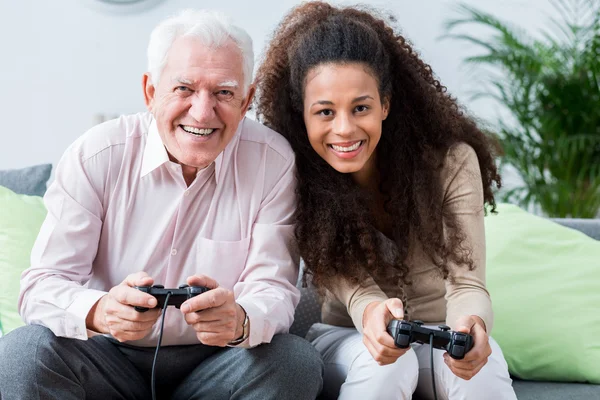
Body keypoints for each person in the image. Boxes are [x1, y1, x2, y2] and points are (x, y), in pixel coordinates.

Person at [0, 9, 323, 400]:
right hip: (105, 355)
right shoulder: (97, 154)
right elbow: (41, 286)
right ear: (151, 92)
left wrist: (240, 319)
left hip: (221, 362)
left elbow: (272, 288)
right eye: (184, 88)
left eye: (224, 92)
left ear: (246, 99)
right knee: (22, 353)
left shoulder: (273, 160)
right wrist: (100, 311)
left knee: (294, 362)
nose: (202, 112)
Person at [254, 2, 517, 399]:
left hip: (438, 337)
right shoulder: (295, 175)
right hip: (347, 337)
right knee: (388, 367)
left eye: (360, 107)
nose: (344, 129)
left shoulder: (451, 161)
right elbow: (358, 293)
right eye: (325, 112)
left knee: (483, 370)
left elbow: (467, 281)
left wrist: (471, 325)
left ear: (385, 104)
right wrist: (375, 318)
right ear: (302, 116)